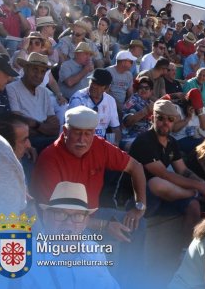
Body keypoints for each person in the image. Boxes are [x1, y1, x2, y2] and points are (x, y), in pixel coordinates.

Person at [31, 106, 147, 288]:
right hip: (63, 222)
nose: (82, 140)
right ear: (65, 131)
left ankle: (127, 282)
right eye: (77, 133)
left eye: (88, 134)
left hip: (93, 212)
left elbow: (136, 167)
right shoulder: (50, 159)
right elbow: (53, 218)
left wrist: (140, 206)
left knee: (138, 225)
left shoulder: (99, 145)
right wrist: (105, 225)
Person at [129, 99, 205, 239]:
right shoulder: (144, 141)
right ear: (153, 118)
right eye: (161, 118)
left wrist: (204, 184)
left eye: (170, 119)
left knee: (193, 206)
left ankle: (186, 252)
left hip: (166, 195)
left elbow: (183, 170)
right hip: (140, 197)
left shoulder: (171, 142)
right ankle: (195, 194)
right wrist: (198, 187)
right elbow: (164, 174)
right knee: (156, 182)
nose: (165, 122)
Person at [38, 181, 120, 288]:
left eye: (77, 215)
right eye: (60, 213)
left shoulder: (94, 251)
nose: (68, 222)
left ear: (85, 222)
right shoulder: (28, 257)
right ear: (45, 216)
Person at [6, 52, 60, 152]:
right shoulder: (12, 88)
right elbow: (18, 124)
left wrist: (35, 125)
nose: (38, 75)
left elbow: (55, 127)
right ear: (25, 69)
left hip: (46, 139)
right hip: (25, 142)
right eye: (35, 69)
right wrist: (45, 127)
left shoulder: (44, 92)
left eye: (42, 71)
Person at [68, 68, 121, 143]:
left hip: (101, 142)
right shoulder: (78, 98)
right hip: (81, 140)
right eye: (92, 82)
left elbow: (115, 128)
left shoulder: (110, 100)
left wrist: (116, 143)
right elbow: (72, 127)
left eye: (98, 84)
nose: (93, 86)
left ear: (106, 88)